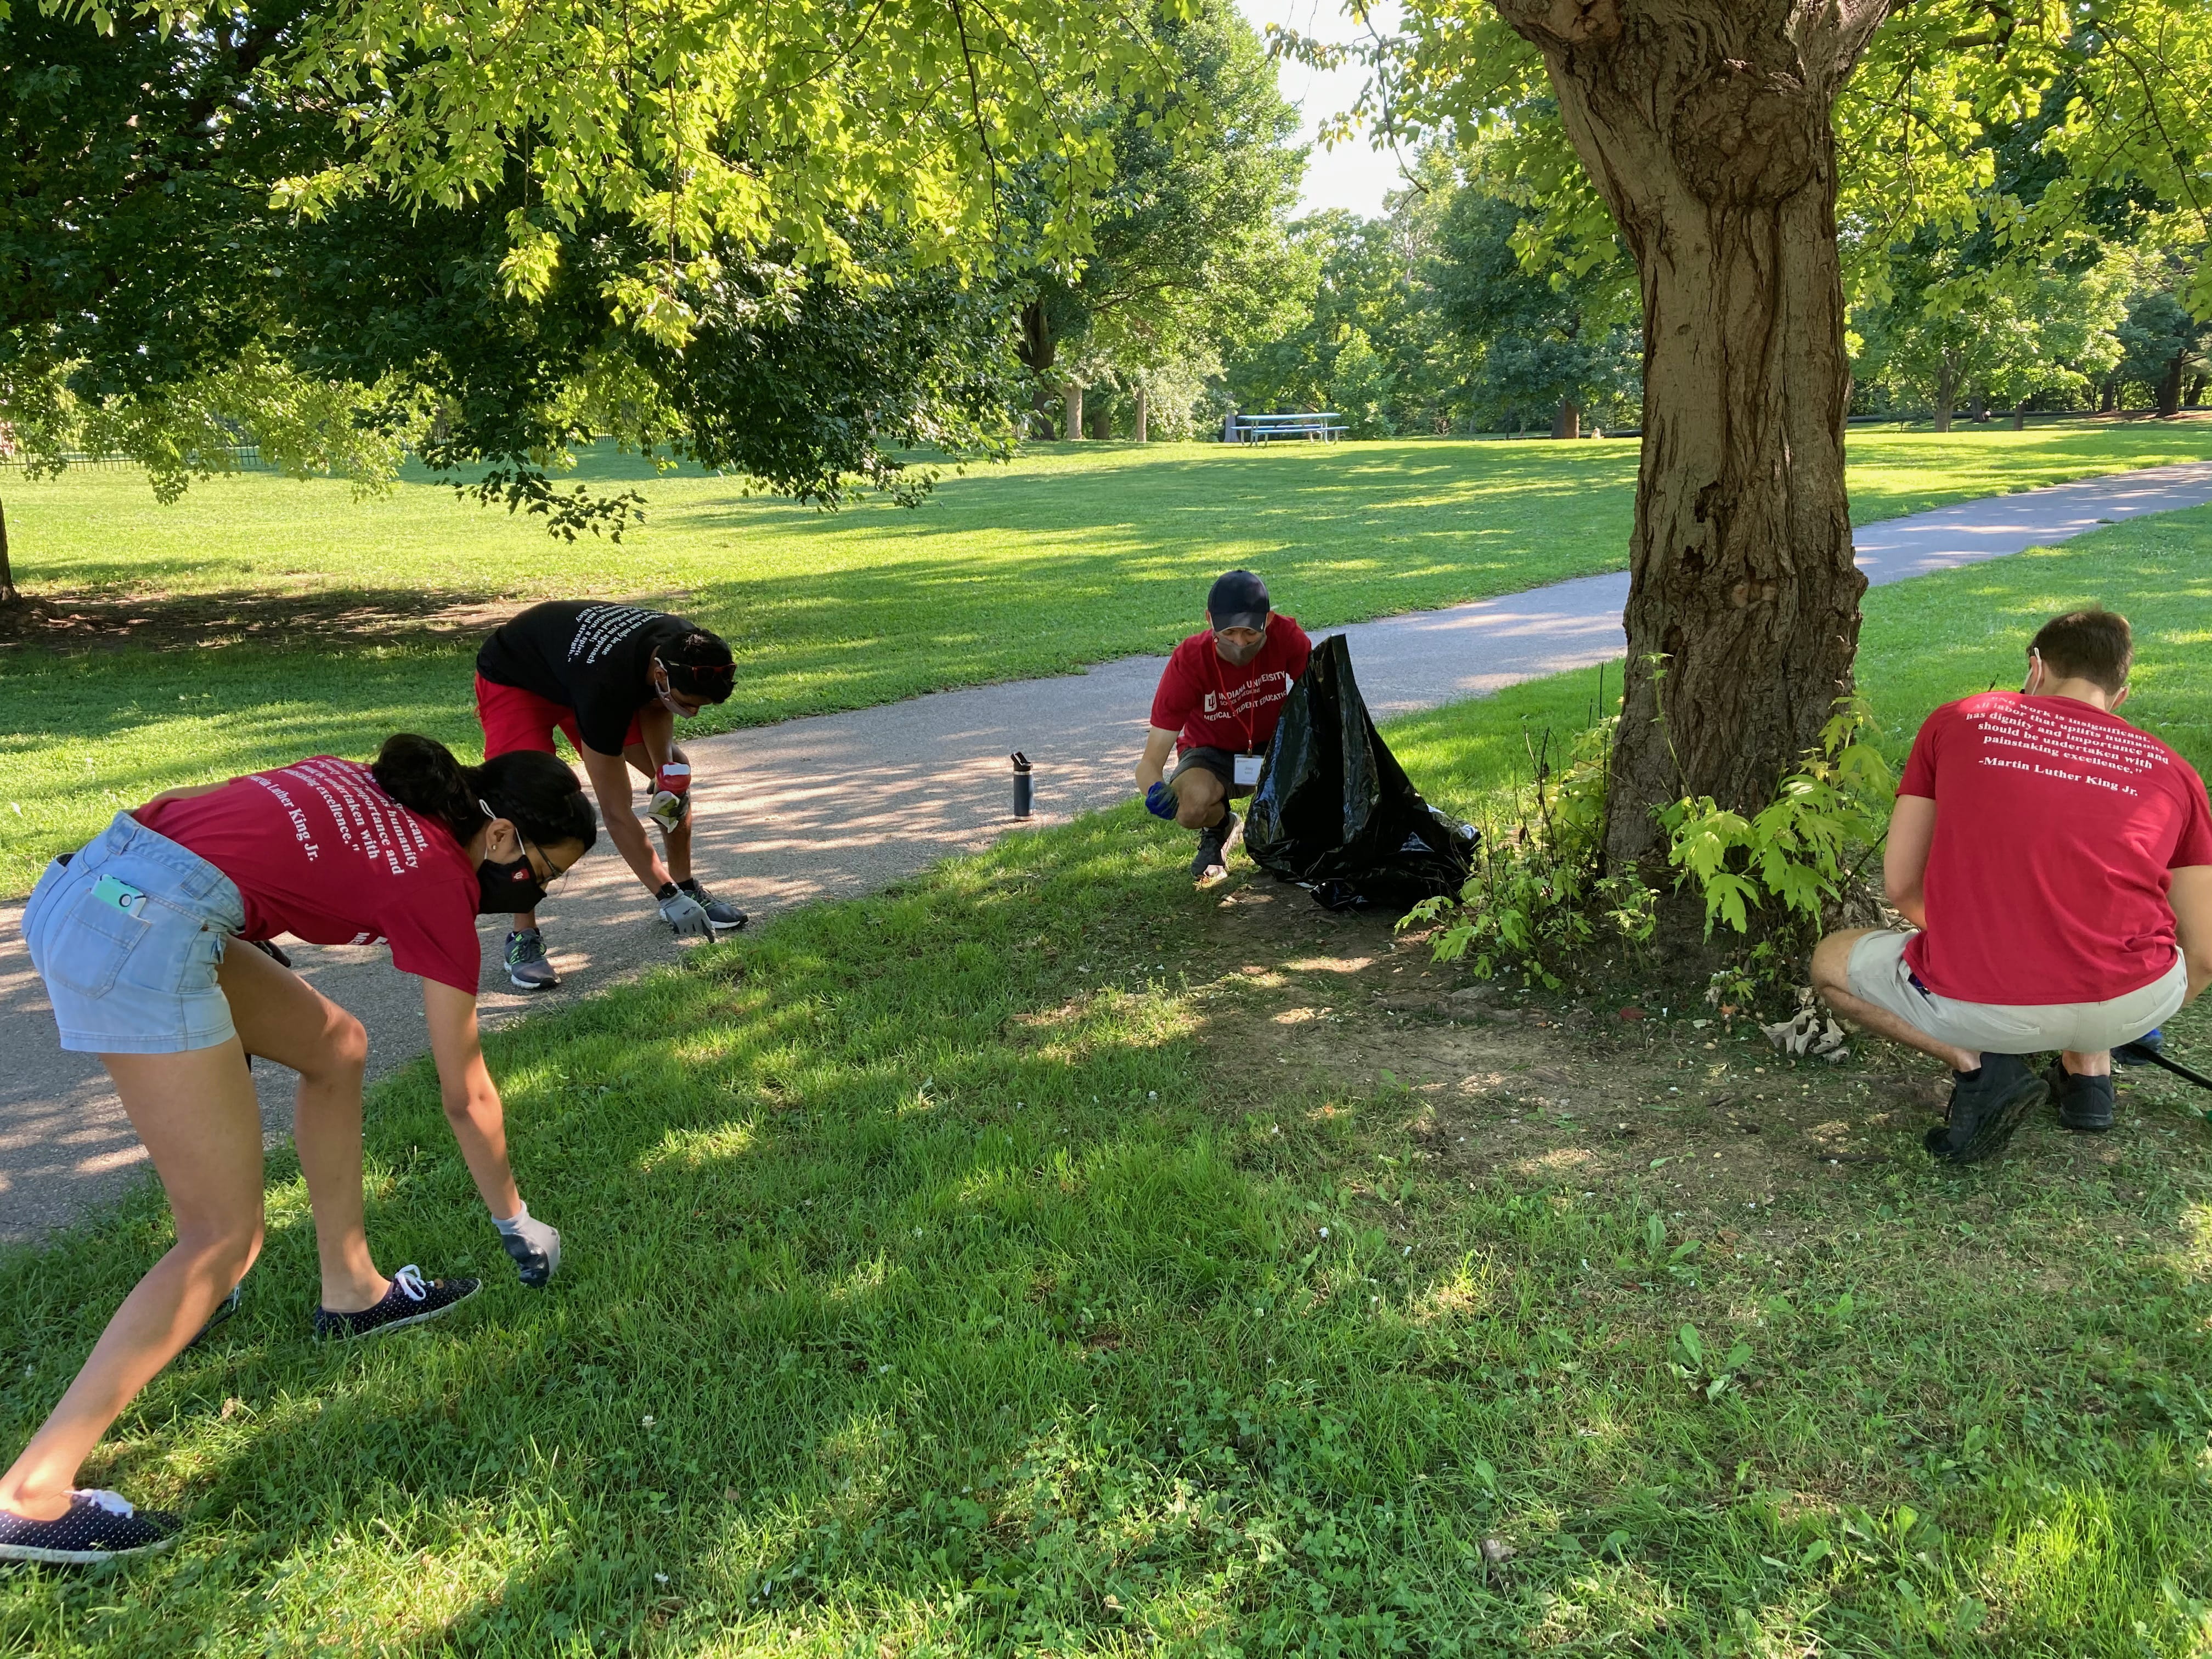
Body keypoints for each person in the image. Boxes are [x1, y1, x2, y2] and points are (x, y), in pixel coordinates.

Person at [2, 735, 595, 1563]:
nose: (531, 891)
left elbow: (244, 835)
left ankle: (353, 1290)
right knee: (225, 1238)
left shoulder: (383, 786)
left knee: (337, 1047)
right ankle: (30, 1494)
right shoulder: (439, 879)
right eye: (542, 873)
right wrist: (516, 1219)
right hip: (144, 930)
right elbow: (467, 1094)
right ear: (500, 840)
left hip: (98, 881)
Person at [1811, 609, 2212, 1164]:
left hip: (1984, 999)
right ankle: (2089, 1074)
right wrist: (2132, 1018)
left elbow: (1902, 886)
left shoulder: (1961, 719)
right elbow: (2205, 953)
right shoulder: (2176, 772)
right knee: (2094, 923)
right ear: (2120, 696)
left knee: (1831, 962)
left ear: (2035, 667)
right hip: (2132, 1000)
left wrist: (1990, 940)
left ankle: (1982, 1065)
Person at [475, 601, 748, 990]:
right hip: (517, 676)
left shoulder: (682, 648)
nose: (694, 714)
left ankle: (688, 886)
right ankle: (523, 938)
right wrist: (662, 895)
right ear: (660, 674)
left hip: (576, 669)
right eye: (688, 705)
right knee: (527, 809)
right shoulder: (607, 685)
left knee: (675, 775)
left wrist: (664, 773)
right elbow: (616, 810)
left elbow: (657, 708)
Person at [1135, 569, 1313, 880]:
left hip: (1274, 745)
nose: (1240, 642)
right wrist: (1155, 790)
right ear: (1210, 620)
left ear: (1268, 621)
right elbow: (1149, 762)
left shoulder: (1288, 637)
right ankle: (1220, 826)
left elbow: (1321, 703)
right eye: (1229, 632)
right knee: (1188, 808)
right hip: (1211, 753)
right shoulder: (1189, 661)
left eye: (1251, 633)